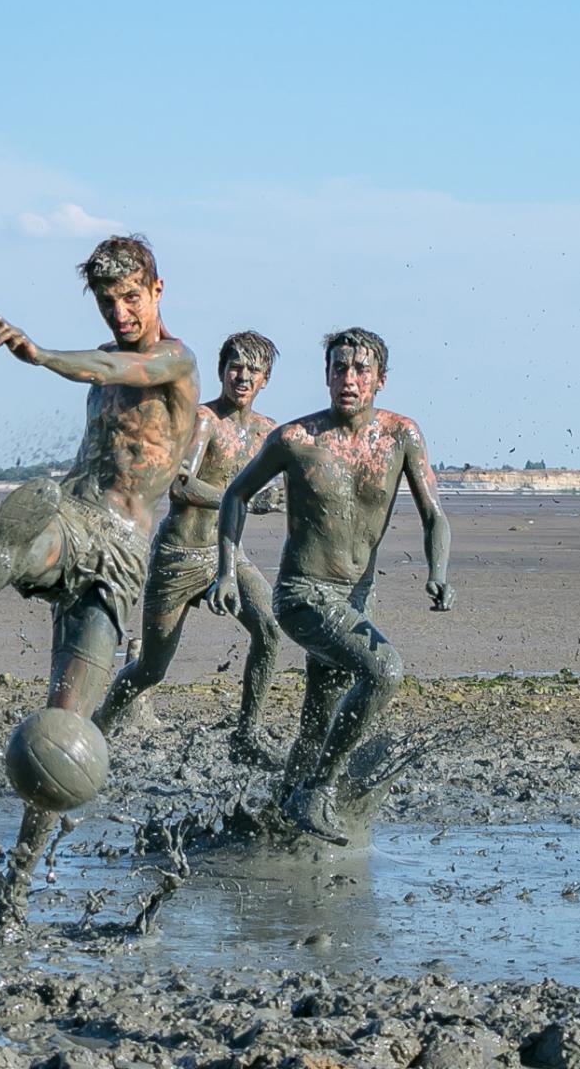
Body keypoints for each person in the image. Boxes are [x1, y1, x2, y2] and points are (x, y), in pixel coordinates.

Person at [0, 235, 199, 899]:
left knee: (64, 723)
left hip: (122, 551)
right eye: (106, 301)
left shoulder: (174, 361)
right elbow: (102, 378)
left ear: (157, 289)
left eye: (130, 297)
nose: (119, 312)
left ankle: (15, 881)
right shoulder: (101, 367)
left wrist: (38, 354)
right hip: (77, 514)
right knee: (49, 534)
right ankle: (21, 549)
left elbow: (110, 371)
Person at [208, 328, 453, 845]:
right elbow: (235, 495)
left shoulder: (401, 436)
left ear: (380, 380)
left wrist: (438, 571)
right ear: (325, 376)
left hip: (352, 598)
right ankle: (317, 791)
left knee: (318, 722)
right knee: (384, 670)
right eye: (339, 368)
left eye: (360, 369)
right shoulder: (296, 440)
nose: (349, 378)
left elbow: (434, 516)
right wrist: (227, 571)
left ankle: (274, 829)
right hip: (301, 595)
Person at [92, 330, 283, 760]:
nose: (243, 376)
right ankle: (100, 727)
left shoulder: (268, 433)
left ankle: (246, 735)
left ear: (266, 379)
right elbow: (179, 486)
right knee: (151, 669)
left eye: (254, 370)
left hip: (225, 555)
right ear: (221, 371)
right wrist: (242, 497)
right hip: (178, 557)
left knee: (269, 630)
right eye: (236, 366)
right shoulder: (204, 420)